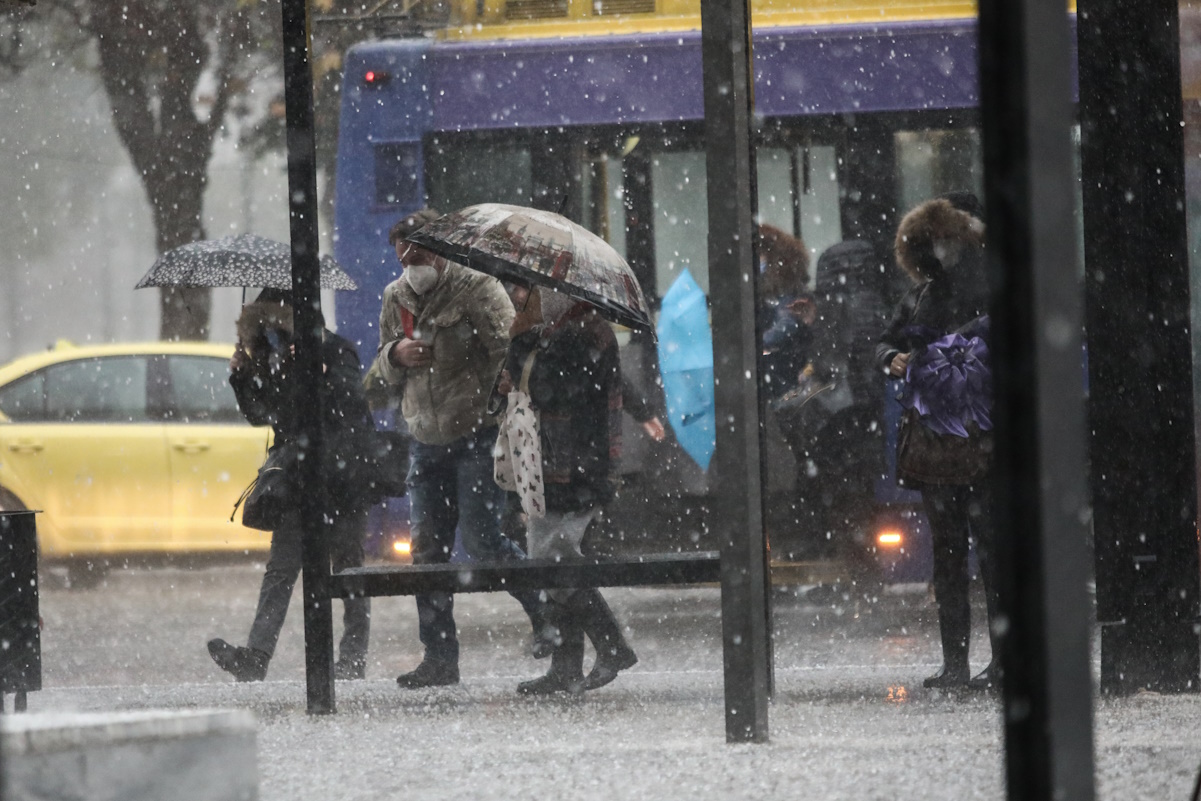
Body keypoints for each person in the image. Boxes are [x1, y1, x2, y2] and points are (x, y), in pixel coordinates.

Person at [372, 209, 552, 689]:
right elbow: (380, 369)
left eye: (421, 253)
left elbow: (505, 351)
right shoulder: (395, 297)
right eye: (404, 255)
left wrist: (501, 398)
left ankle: (545, 612)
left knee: (482, 539)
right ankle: (439, 657)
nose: (412, 263)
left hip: (473, 434)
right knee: (427, 552)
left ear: (441, 250)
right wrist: (395, 355)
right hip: (423, 440)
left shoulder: (476, 288)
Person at [208, 289, 373, 682]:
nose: (273, 329)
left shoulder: (334, 349)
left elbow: (352, 404)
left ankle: (351, 659)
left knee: (347, 567)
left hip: (341, 477)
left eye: (276, 319)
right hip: (295, 479)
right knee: (281, 569)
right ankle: (256, 657)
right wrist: (243, 377)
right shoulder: (276, 356)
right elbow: (264, 416)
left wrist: (322, 372)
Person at [876, 191, 998, 690]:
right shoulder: (924, 293)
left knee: (982, 552)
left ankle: (983, 662)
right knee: (954, 553)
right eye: (936, 240)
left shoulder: (988, 287)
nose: (944, 250)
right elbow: (887, 340)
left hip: (978, 434)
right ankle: (958, 664)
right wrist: (893, 358)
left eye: (951, 238)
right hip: (944, 438)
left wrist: (942, 348)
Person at [497, 284, 638, 695]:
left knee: (553, 561)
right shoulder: (544, 332)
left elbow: (561, 392)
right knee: (554, 561)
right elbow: (518, 388)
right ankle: (566, 664)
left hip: (577, 466)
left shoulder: (585, 332)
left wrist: (522, 358)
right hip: (545, 465)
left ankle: (611, 646)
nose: (517, 295)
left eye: (527, 289)